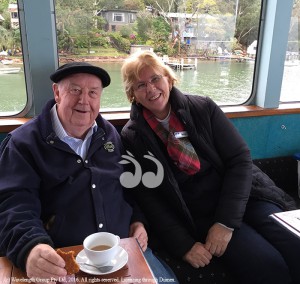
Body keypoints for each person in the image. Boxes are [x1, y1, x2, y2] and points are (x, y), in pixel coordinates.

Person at [120, 50, 300, 284]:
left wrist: (226, 222)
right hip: (199, 214)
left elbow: (239, 159)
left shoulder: (203, 108)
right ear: (132, 94)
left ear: (168, 78)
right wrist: (183, 245)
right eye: (140, 85)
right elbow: (149, 197)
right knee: (267, 265)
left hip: (248, 196)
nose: (151, 89)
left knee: (296, 243)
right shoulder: (132, 137)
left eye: (155, 79)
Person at [0, 62, 178, 283]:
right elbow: (14, 206)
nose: (84, 100)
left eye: (93, 93)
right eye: (75, 90)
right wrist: (30, 247)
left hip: (122, 251)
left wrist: (137, 221)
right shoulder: (23, 143)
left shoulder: (110, 134)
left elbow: (129, 187)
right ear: (57, 93)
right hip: (63, 259)